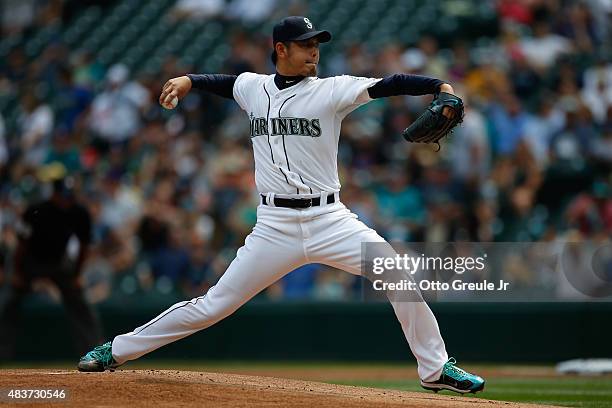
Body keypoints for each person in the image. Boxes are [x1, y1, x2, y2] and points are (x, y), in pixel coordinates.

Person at [78, 16, 485, 394]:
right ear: (281, 49)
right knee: (213, 306)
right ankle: (115, 350)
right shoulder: (253, 87)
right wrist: (188, 80)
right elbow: (223, 82)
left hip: (330, 218)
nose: (314, 51)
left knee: (395, 271)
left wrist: (439, 86)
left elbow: (389, 83)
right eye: (304, 44)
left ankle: (435, 369)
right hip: (274, 225)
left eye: (316, 44)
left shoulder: (331, 89)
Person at [0, 177, 102, 358]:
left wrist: (77, 274)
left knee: (80, 303)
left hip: (58, 263)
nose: (67, 200)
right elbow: (21, 246)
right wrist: (16, 272)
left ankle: (94, 351)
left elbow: (84, 248)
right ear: (54, 195)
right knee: (9, 302)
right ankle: (3, 351)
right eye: (63, 196)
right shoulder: (37, 210)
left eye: (70, 196)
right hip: (29, 262)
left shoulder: (79, 213)